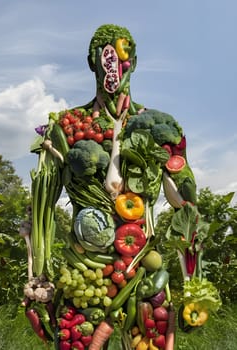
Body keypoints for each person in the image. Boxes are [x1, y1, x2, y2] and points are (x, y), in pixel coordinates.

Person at [23, 24, 220, 349]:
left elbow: (188, 208)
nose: (112, 64)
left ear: (134, 62)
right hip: (84, 273)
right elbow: (41, 204)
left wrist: (193, 283)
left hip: (145, 273)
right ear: (92, 62)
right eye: (104, 54)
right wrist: (38, 278)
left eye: (121, 54)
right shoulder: (66, 127)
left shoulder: (158, 124)